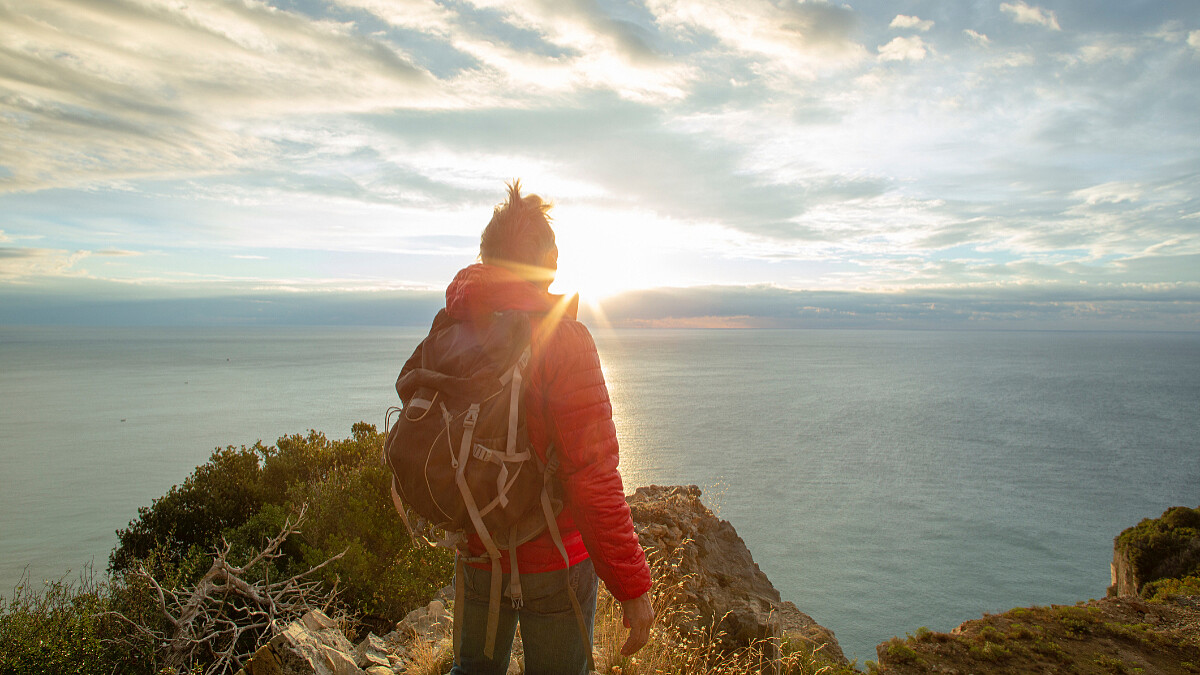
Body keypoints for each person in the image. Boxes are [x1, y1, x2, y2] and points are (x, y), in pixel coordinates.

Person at [398, 181, 654, 674]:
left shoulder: (450, 325)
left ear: (486, 258)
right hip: (557, 565)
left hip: (479, 550)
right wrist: (633, 587)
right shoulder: (565, 338)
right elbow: (593, 475)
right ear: (551, 260)